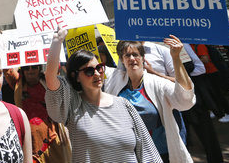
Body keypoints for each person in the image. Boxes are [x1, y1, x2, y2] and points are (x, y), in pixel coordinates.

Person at [45, 29, 162, 163]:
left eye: (99, 67)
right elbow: (51, 81)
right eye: (89, 71)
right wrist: (56, 43)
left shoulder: (124, 105)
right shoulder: (73, 107)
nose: (96, 74)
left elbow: (148, 151)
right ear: (75, 76)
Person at [105, 36, 196, 163]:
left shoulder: (158, 84)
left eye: (135, 54)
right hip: (131, 155)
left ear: (143, 58)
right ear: (122, 60)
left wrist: (176, 58)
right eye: (127, 55)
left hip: (161, 153)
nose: (132, 59)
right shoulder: (114, 79)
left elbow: (185, 99)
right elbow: (87, 69)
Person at [5, 64, 71, 162]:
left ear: (39, 68)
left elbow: (55, 66)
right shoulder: (19, 84)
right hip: (30, 141)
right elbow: (7, 70)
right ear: (22, 70)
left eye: (34, 67)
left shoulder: (48, 81)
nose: (30, 70)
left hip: (51, 139)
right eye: (26, 68)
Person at [191, 43, 229, 122]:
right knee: (212, 94)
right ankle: (217, 110)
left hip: (212, 72)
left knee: (218, 94)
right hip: (206, 74)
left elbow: (206, 59)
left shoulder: (200, 45)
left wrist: (192, 62)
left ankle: (228, 114)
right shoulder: (192, 46)